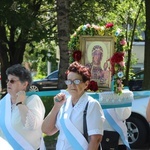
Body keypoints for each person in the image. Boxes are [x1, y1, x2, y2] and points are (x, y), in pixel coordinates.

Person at [42, 61, 105, 150]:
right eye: (69, 81)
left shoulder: (92, 104)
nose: (72, 85)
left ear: (86, 84)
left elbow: (96, 139)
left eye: (76, 81)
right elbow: (47, 130)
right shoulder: (64, 104)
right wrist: (56, 106)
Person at [0, 64, 46, 150]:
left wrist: (20, 103)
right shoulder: (3, 104)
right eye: (8, 80)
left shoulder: (33, 100)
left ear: (24, 84)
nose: (8, 83)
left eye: (12, 81)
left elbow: (31, 126)